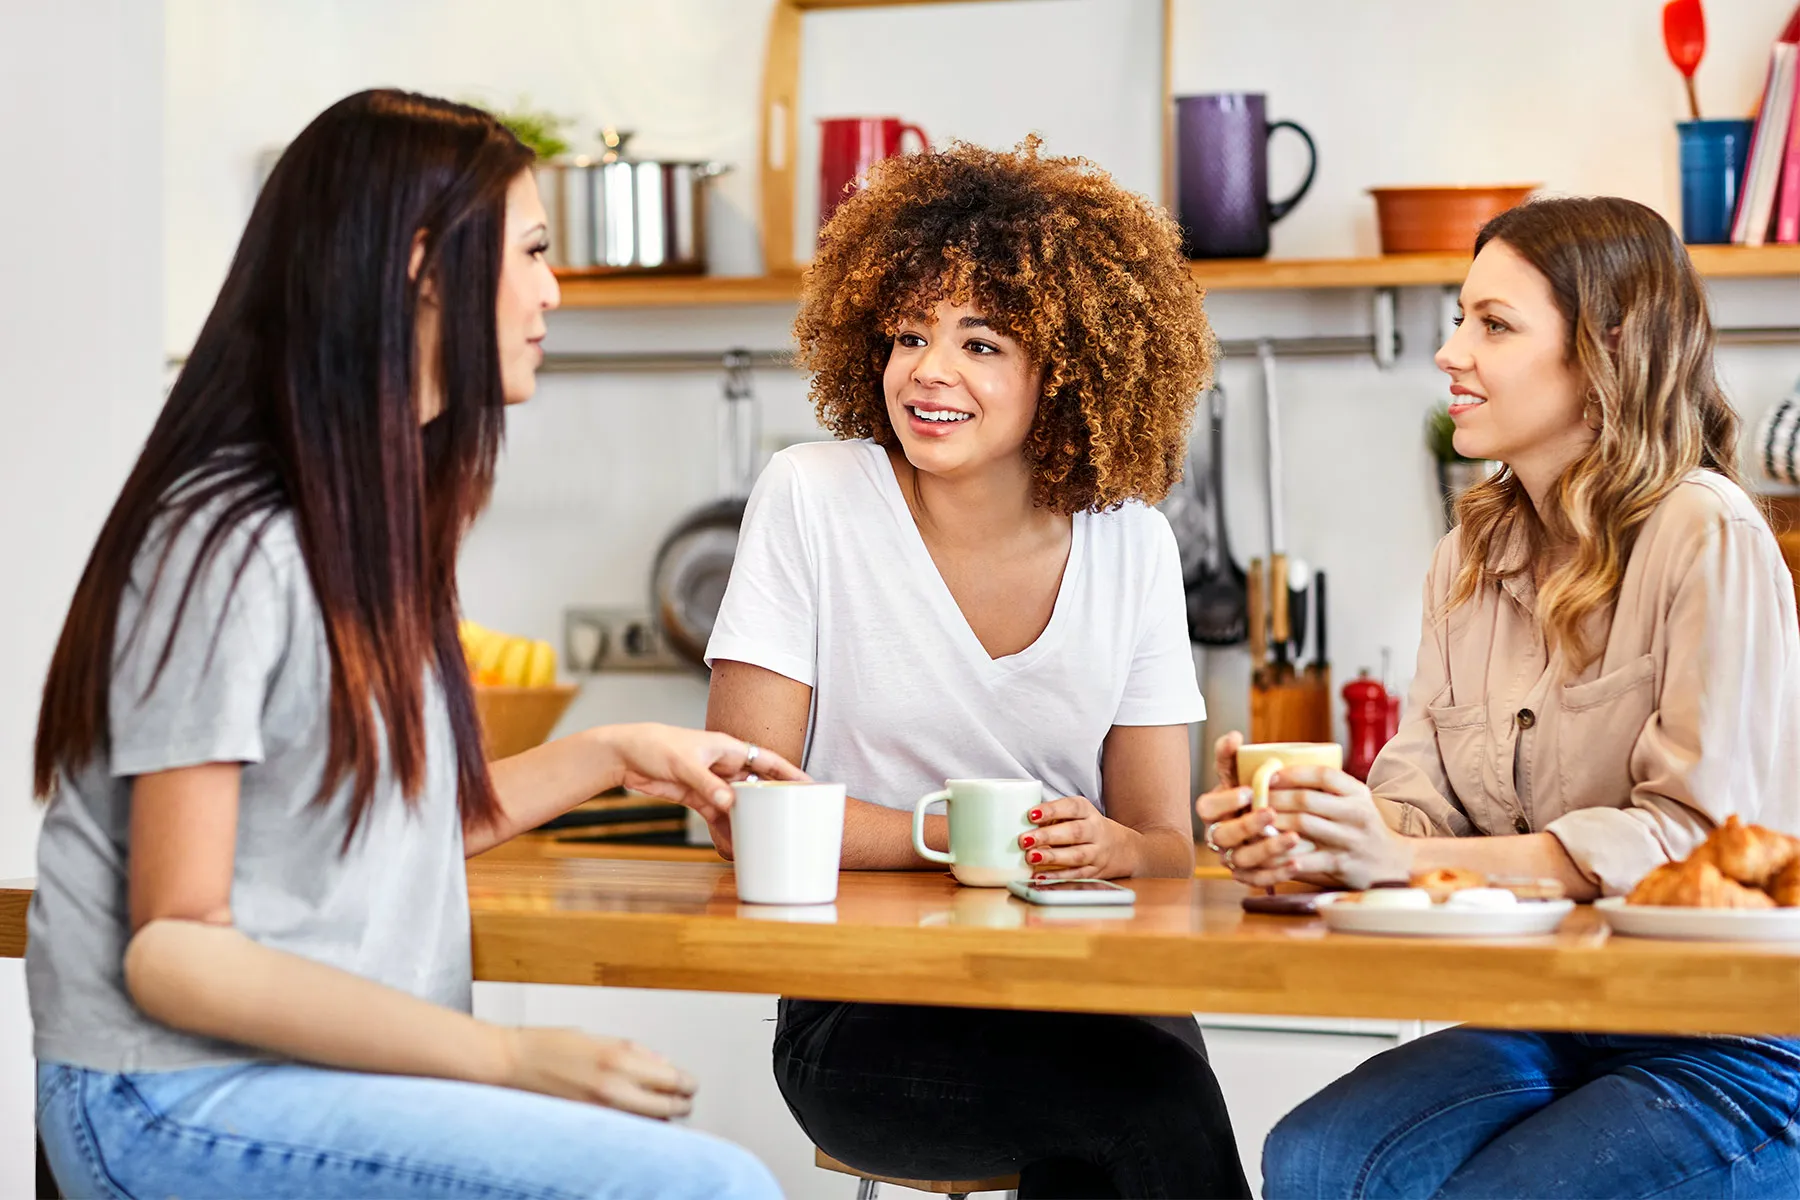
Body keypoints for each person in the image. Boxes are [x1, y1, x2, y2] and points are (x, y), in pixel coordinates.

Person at [27, 89, 797, 1200]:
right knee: (701, 1188)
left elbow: (376, 832)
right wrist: (511, 1059)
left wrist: (619, 751)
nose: (553, 288)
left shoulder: (371, 519)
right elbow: (175, 947)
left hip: (299, 1076)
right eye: (531, 251)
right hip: (173, 1092)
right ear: (424, 268)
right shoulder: (234, 541)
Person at [1199, 196, 1800, 1199]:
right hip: (1548, 1015)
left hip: (1735, 1044)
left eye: (1494, 324)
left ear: (1606, 349)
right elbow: (1418, 805)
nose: (1450, 353)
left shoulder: (1707, 534)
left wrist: (1401, 855)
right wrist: (1314, 834)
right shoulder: (1469, 557)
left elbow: (1695, 844)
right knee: (1315, 1157)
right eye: (1458, 318)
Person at [705, 137, 1249, 1199]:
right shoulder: (813, 498)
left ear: (1070, 367)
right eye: (908, 335)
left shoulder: (1130, 538)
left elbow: (1166, 848)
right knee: (1144, 1112)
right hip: (866, 1015)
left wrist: (1110, 846)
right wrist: (940, 837)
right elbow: (738, 806)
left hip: (1092, 995)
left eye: (982, 342)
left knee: (1125, 1113)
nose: (928, 373)